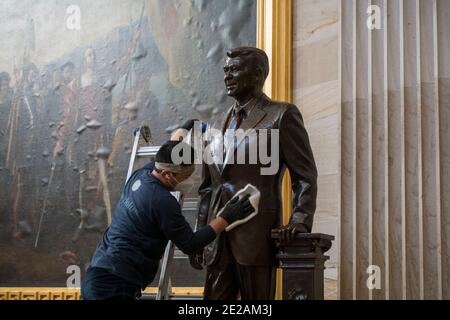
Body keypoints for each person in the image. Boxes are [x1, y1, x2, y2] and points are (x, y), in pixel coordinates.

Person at [190, 47, 318, 300]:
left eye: (235, 69)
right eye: (226, 70)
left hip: (256, 237)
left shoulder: (281, 115)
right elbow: (207, 188)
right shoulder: (215, 123)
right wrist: (199, 234)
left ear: (258, 74)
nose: (228, 75)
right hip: (217, 239)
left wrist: (299, 220)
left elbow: (304, 176)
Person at [81, 140, 255, 300]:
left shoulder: (140, 175)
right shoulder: (163, 201)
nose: (191, 180)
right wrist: (226, 217)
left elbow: (164, 155)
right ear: (167, 175)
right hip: (114, 286)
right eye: (185, 176)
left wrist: (182, 132)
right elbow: (190, 244)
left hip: (98, 272)